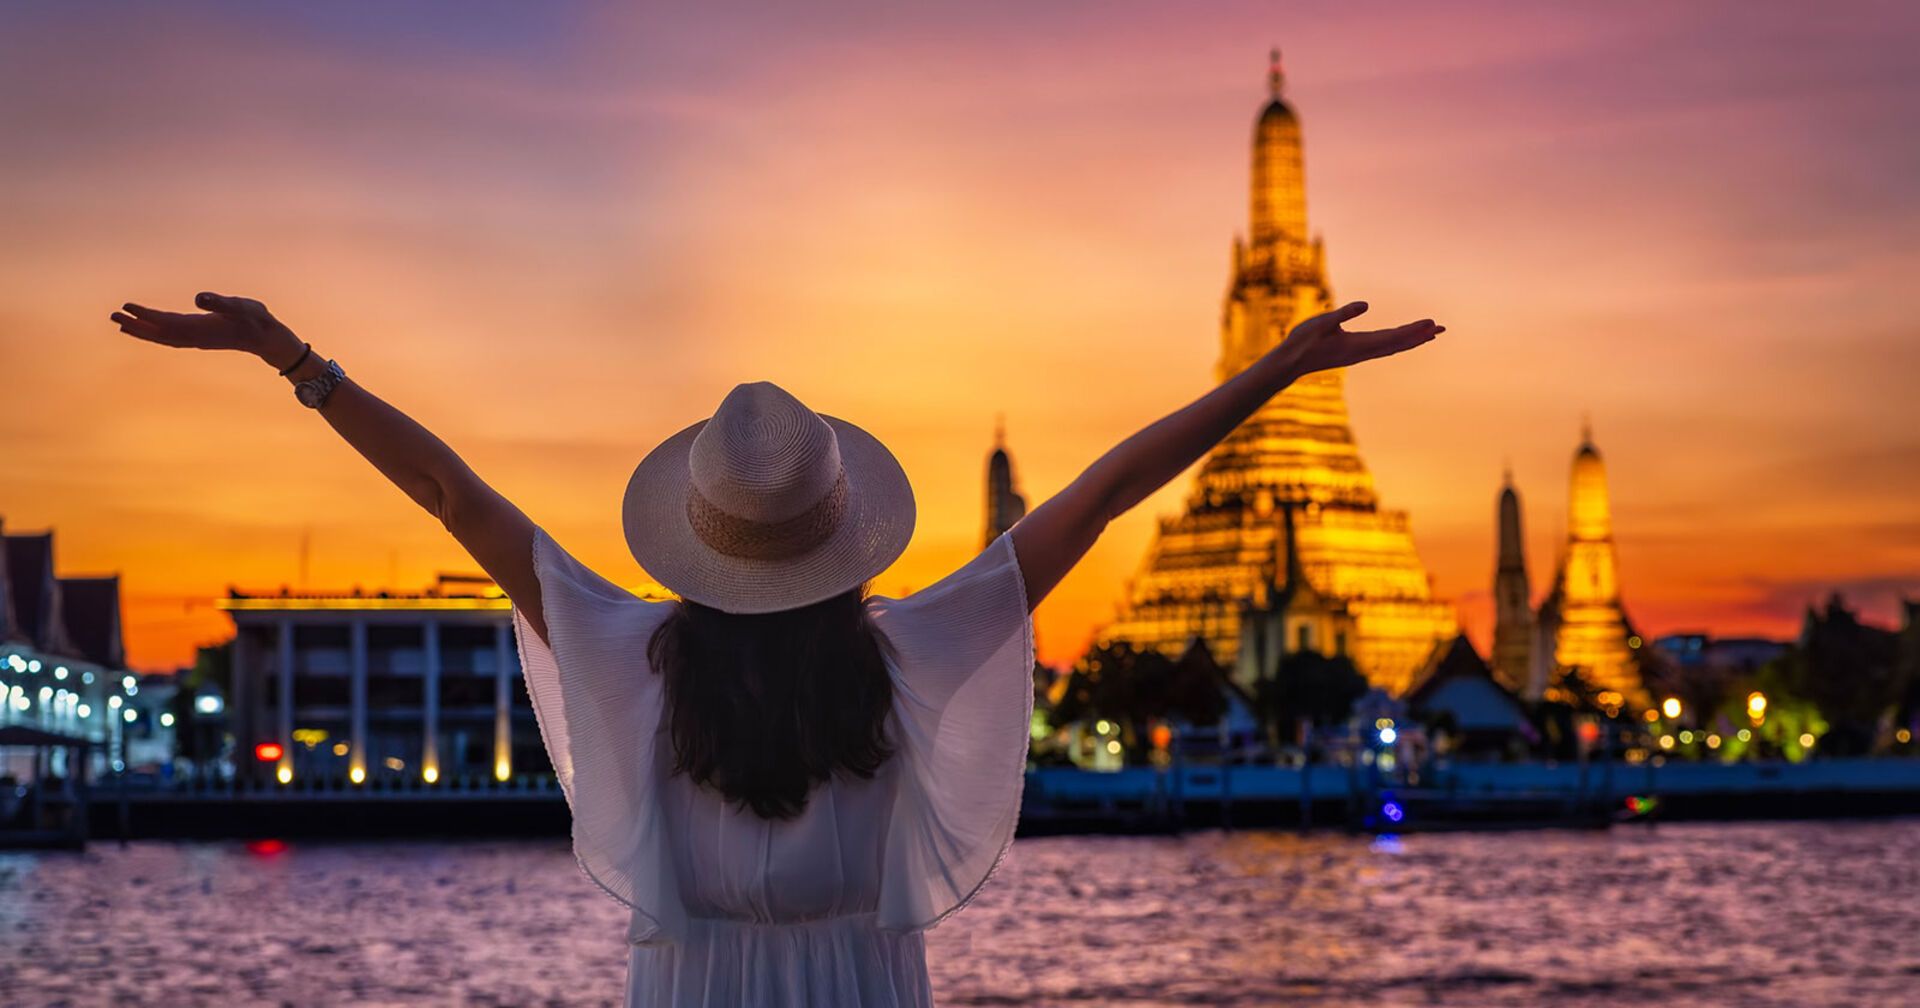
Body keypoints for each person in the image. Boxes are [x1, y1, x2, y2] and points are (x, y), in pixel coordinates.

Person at [110, 293, 1441, 1005]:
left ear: (699, 539)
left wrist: (292, 358)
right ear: (837, 535)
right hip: (861, 986)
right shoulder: (905, 652)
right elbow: (1100, 496)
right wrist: (1278, 372)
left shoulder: (633, 654)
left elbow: (453, 497)